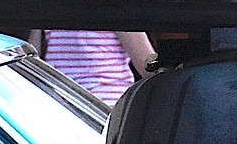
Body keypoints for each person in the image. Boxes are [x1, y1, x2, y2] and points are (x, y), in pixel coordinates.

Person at [27, 29, 155, 106]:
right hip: (105, 110)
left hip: (60, 106)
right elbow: (150, 69)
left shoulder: (51, 3)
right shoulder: (117, 4)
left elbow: (31, 60)